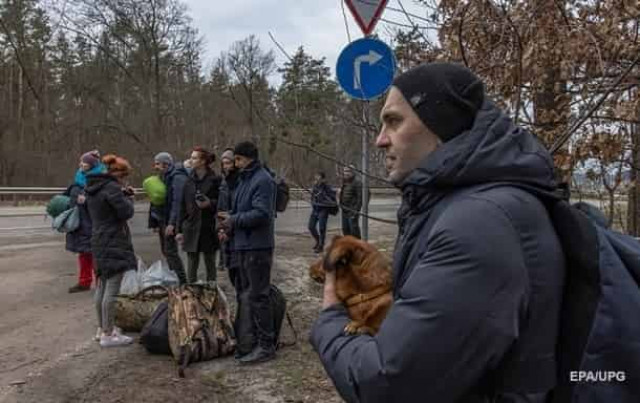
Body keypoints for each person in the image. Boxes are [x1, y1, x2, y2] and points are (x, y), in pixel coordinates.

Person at [311, 62, 565, 402]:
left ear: (440, 126)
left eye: (394, 121)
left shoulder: (479, 224)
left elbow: (388, 385)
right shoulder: (464, 205)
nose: (380, 140)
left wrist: (330, 317)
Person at [218, 141, 276, 364]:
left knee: (259, 296)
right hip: (242, 245)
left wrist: (234, 220)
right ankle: (248, 340)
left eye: (238, 159)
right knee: (246, 296)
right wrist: (227, 220)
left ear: (246, 158)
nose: (234, 163)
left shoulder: (262, 180)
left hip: (257, 247)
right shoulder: (244, 178)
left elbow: (262, 214)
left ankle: (266, 345)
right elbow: (241, 209)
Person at [86, 154, 137, 348]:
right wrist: (129, 199)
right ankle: (109, 333)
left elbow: (106, 206)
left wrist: (122, 195)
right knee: (112, 288)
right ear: (117, 174)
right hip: (113, 239)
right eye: (123, 177)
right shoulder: (112, 188)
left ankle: (101, 329)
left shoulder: (93, 187)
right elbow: (125, 212)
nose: (124, 181)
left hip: (98, 238)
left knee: (101, 285)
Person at [176, 147, 221, 283]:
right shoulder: (188, 181)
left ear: (203, 161)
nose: (191, 160)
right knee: (191, 265)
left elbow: (223, 203)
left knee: (210, 264)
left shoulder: (216, 180)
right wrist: (179, 230)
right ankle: (191, 296)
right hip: (191, 227)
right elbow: (182, 207)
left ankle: (211, 294)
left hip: (209, 227)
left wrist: (210, 204)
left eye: (194, 158)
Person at [66, 151, 105, 293]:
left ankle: (101, 283)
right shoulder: (79, 178)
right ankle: (84, 281)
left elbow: (103, 201)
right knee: (84, 254)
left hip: (94, 223)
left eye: (85, 163)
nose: (81, 165)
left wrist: (87, 200)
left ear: (92, 165)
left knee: (96, 255)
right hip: (81, 223)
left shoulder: (99, 180)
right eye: (81, 162)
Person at [153, 152, 188, 284]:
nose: (155, 166)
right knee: (166, 251)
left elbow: (177, 202)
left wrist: (172, 223)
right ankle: (175, 278)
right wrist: (155, 222)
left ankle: (181, 280)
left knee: (170, 251)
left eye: (158, 163)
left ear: (166, 164)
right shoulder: (163, 177)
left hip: (171, 220)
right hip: (164, 219)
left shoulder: (176, 177)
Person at [217, 148, 240, 287]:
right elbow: (220, 207)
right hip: (224, 225)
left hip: (236, 225)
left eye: (229, 163)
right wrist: (220, 228)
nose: (226, 166)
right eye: (224, 163)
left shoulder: (239, 181)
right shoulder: (224, 181)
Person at [308, 172, 335, 253]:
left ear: (323, 179)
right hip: (315, 209)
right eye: (316, 177)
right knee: (311, 226)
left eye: (318, 177)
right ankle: (318, 240)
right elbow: (312, 197)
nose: (316, 179)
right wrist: (313, 202)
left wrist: (324, 199)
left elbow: (332, 199)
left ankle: (321, 245)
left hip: (323, 210)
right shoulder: (315, 187)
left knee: (322, 228)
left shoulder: (327, 187)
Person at [338, 165, 362, 239]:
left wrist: (356, 211)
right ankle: (349, 246)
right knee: (345, 230)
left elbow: (360, 198)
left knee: (354, 231)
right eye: (345, 171)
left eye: (348, 171)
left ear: (353, 172)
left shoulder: (357, 182)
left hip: (352, 210)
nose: (346, 173)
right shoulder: (344, 182)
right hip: (344, 210)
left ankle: (358, 246)